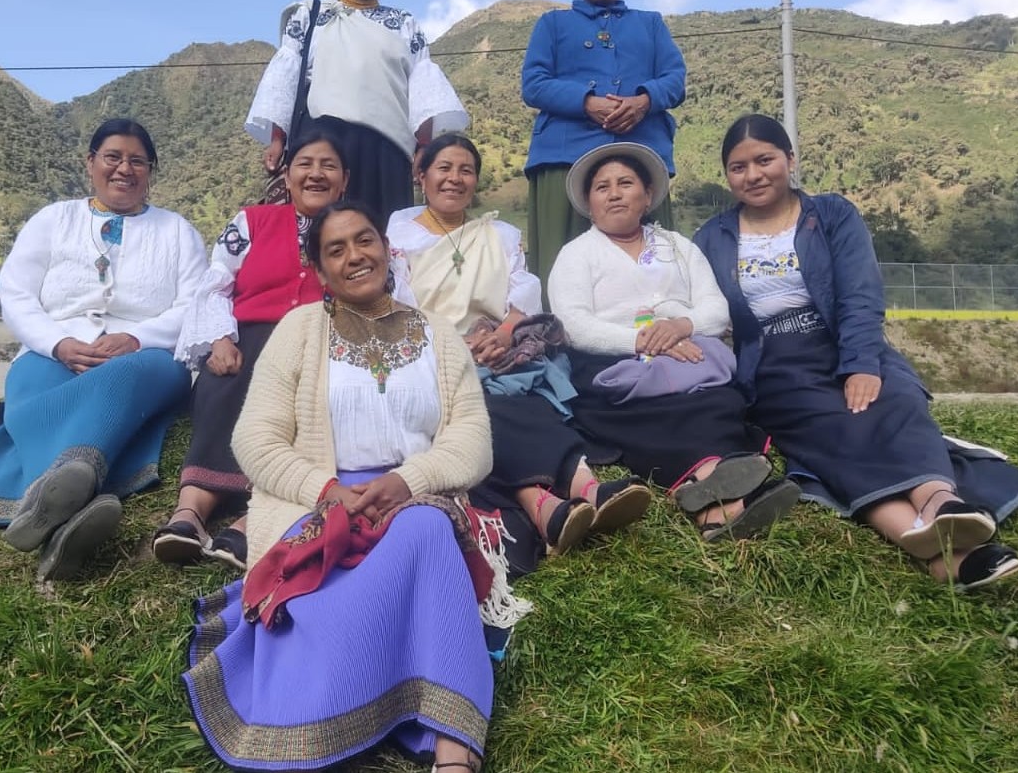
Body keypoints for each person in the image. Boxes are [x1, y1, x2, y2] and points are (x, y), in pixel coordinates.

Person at [183, 201, 522, 773]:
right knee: (327, 622)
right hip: (318, 511)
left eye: (364, 240)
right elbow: (255, 440)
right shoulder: (299, 330)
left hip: (417, 496)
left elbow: (473, 443)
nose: (354, 256)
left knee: (425, 526)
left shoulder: (437, 335)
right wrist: (326, 490)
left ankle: (454, 750)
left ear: (388, 250)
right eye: (334, 250)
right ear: (319, 271)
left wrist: (406, 480)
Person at [694, 114, 1018, 590]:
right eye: (738, 167)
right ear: (728, 175)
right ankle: (937, 550)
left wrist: (862, 364)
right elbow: (702, 309)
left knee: (894, 402)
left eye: (764, 160)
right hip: (776, 364)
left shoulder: (830, 214)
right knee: (831, 430)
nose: (753, 174)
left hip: (845, 342)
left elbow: (860, 295)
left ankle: (940, 506)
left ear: (790, 159)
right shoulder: (712, 236)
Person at [0, 119, 208, 581]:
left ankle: (57, 487)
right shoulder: (52, 219)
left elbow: (195, 303)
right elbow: (17, 294)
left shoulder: (178, 231)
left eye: (137, 161)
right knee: (30, 385)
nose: (125, 169)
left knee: (132, 374)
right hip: (53, 350)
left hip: (147, 357)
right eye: (113, 157)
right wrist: (57, 343)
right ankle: (68, 519)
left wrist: (138, 338)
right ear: (90, 163)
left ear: (151, 171)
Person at [389, 133, 653, 560]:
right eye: (444, 168)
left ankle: (581, 490)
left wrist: (505, 333)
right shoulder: (398, 236)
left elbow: (523, 293)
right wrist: (457, 347)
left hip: (501, 349)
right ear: (422, 175)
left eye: (466, 170)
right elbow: (399, 306)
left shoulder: (499, 234)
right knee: (478, 407)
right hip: (431, 352)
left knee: (515, 397)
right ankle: (546, 499)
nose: (455, 179)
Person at [550, 141, 799, 540]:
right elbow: (575, 325)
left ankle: (712, 498)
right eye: (602, 187)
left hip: (688, 360)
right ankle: (724, 498)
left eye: (626, 183)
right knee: (662, 413)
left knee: (714, 401)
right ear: (588, 202)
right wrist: (647, 342)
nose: (615, 193)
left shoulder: (678, 248)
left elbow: (716, 310)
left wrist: (682, 327)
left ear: (647, 196)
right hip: (615, 372)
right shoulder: (576, 255)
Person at [151, 127, 351, 571]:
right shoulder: (252, 222)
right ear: (287, 173)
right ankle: (191, 511)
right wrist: (220, 336)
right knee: (224, 384)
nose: (315, 174)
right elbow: (215, 282)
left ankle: (252, 516)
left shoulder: (356, 231)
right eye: (305, 164)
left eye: (328, 165)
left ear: (345, 180)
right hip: (246, 337)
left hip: (318, 342)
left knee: (307, 405)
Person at [246, 0, 467, 221]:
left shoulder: (405, 23)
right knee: (318, 232)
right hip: (321, 143)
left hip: (386, 149)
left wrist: (423, 148)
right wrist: (277, 139)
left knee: (380, 230)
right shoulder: (309, 15)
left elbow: (422, 86)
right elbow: (286, 76)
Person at [522, 0, 686, 300]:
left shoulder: (651, 24)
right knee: (561, 269)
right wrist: (586, 102)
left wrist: (644, 100)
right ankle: (559, 349)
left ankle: (656, 342)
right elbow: (534, 83)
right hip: (564, 156)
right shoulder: (553, 24)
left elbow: (675, 80)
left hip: (640, 151)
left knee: (653, 268)